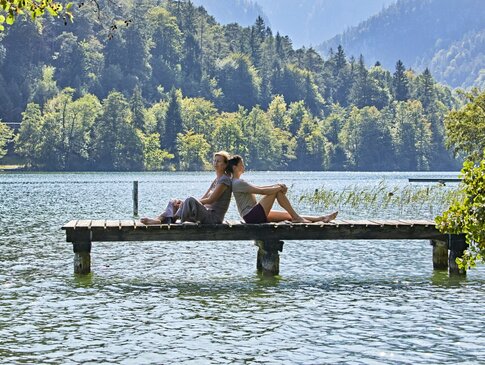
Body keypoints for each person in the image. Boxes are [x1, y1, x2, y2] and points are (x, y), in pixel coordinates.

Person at [227, 155, 338, 224]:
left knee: (288, 216)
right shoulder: (238, 183)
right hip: (252, 216)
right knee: (277, 193)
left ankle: (323, 218)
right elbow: (262, 191)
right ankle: (297, 217)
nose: (244, 166)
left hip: (253, 215)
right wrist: (279, 188)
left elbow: (261, 188)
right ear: (234, 167)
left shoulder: (238, 182)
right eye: (242, 164)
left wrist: (277, 185)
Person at [140, 151, 232, 224]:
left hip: (212, 218)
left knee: (190, 200)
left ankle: (172, 218)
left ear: (225, 165)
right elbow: (204, 198)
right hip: (204, 213)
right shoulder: (216, 180)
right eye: (214, 160)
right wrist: (183, 204)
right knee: (174, 201)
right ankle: (159, 219)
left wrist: (186, 204)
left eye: (218, 161)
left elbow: (211, 200)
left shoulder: (225, 180)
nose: (215, 163)